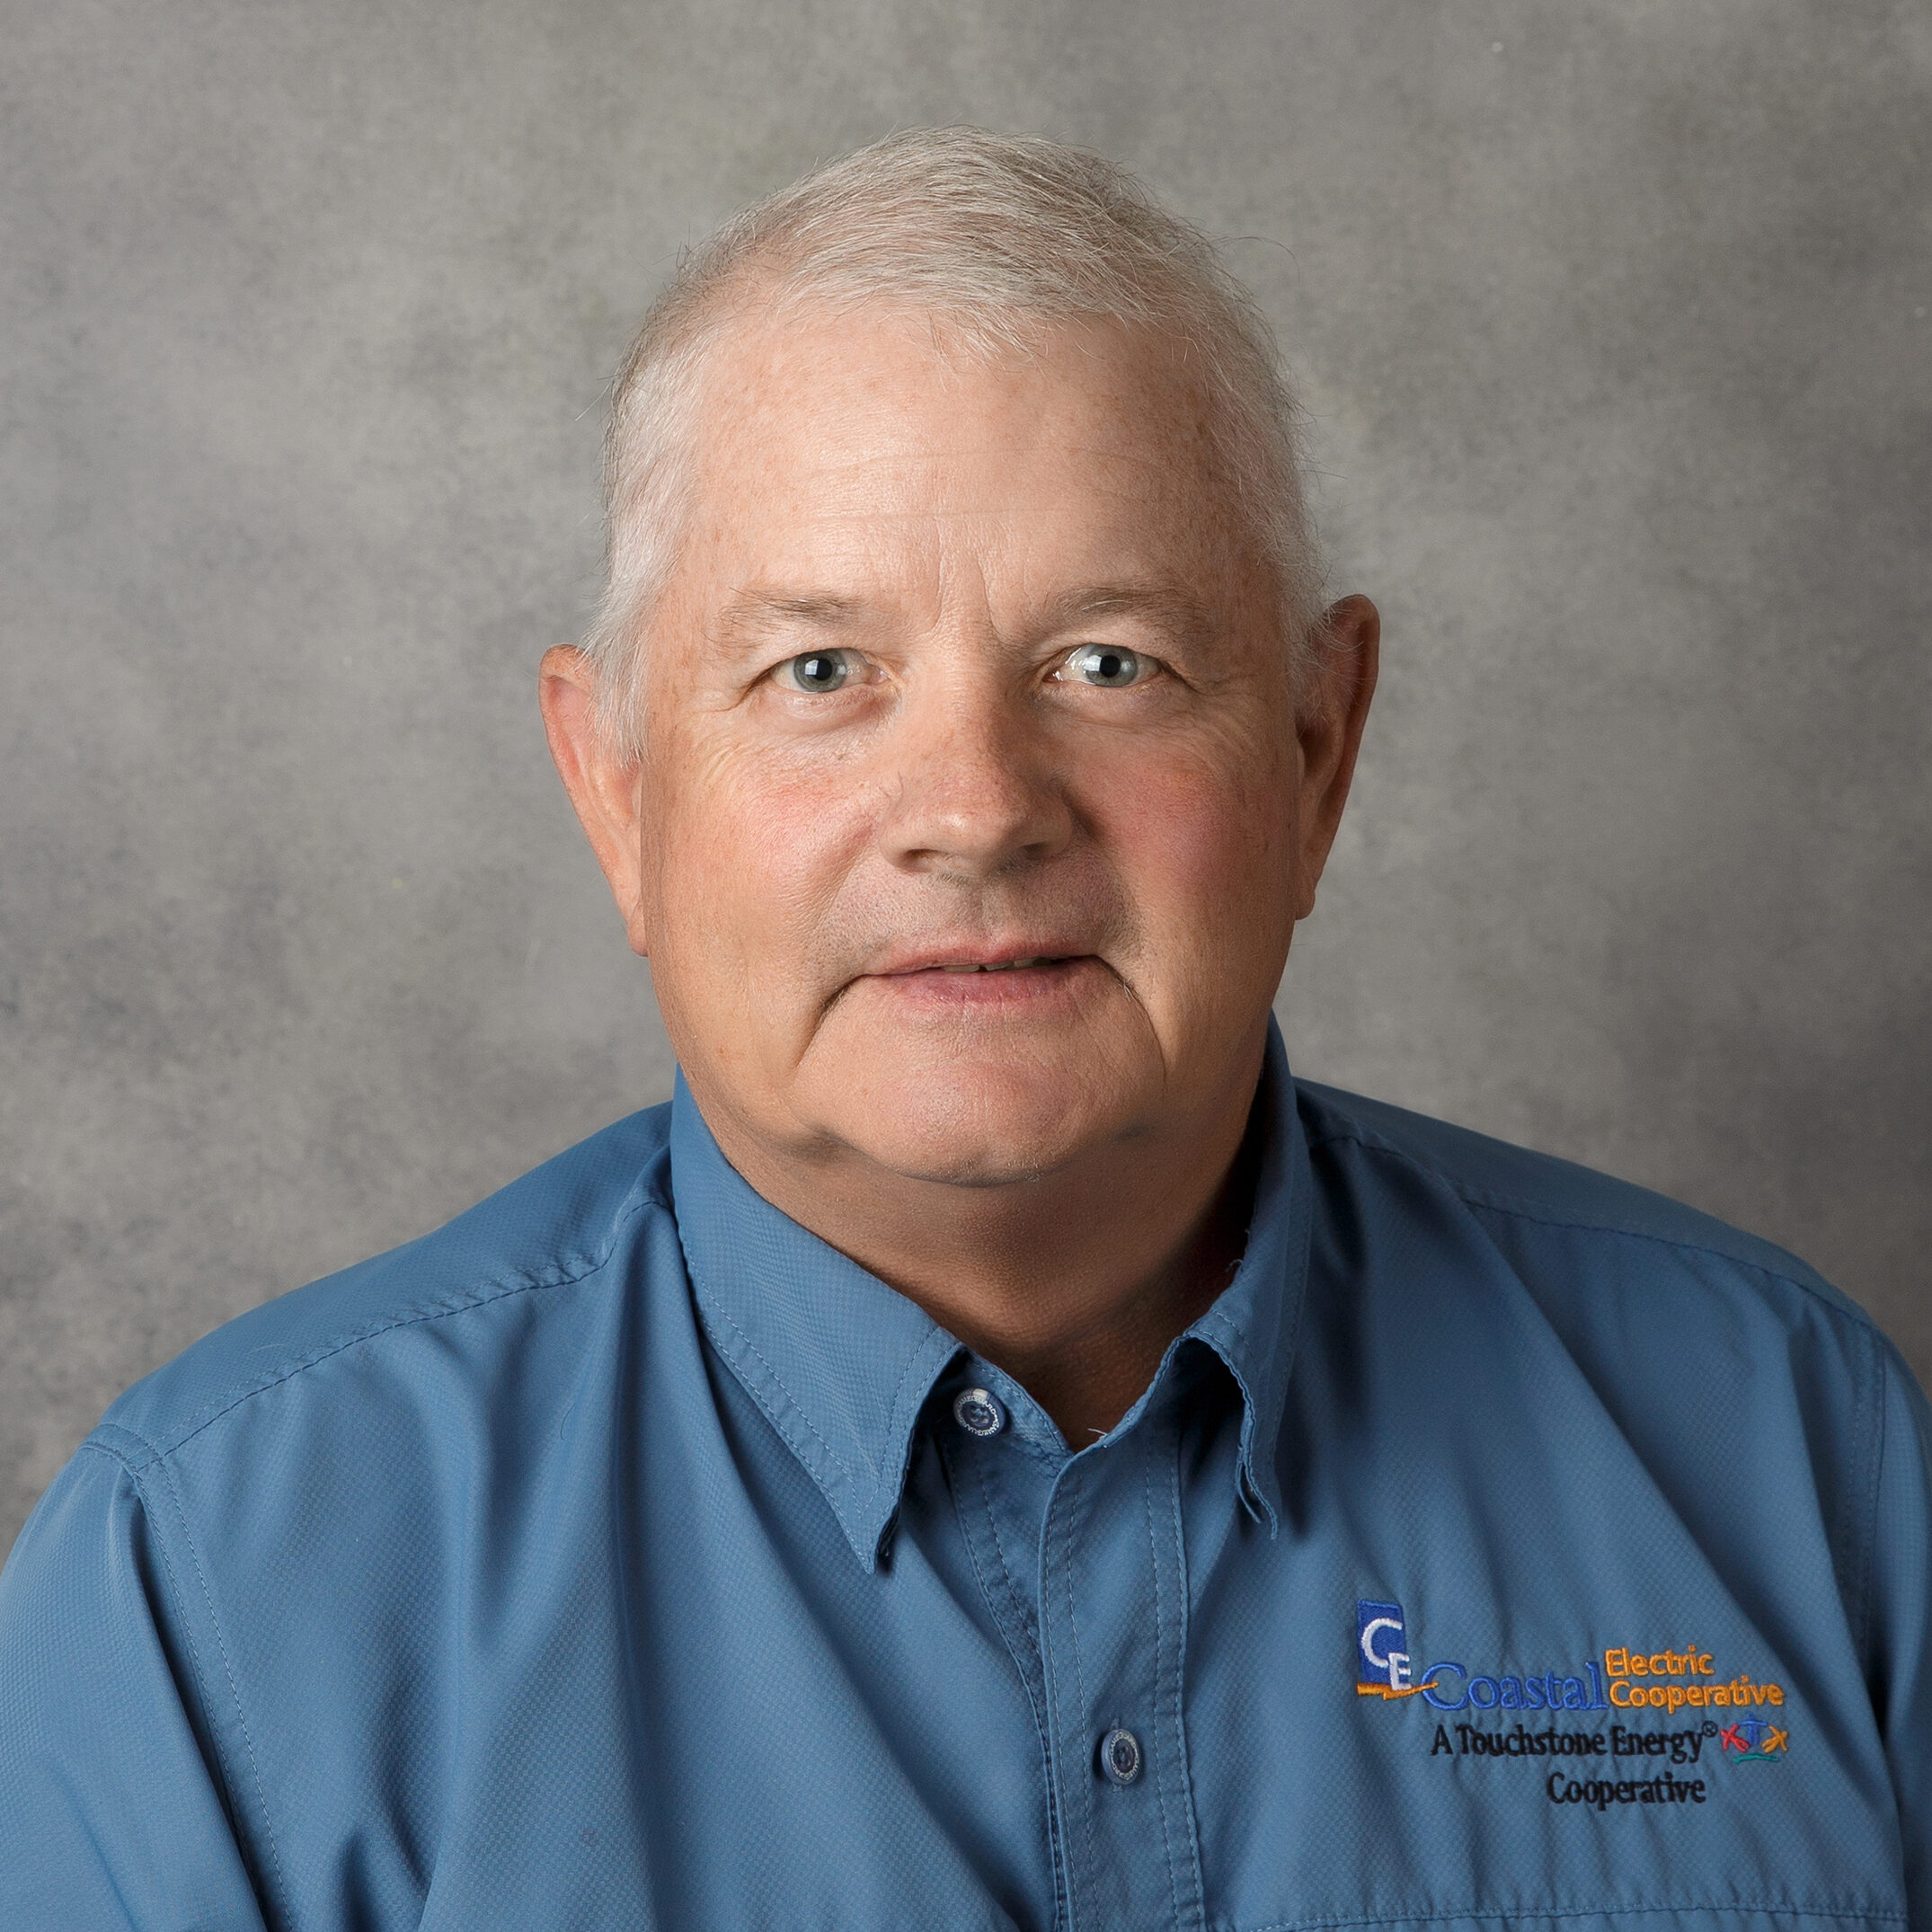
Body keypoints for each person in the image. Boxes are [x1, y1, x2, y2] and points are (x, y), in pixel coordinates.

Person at [2, 127, 1926, 1932]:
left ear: (1316, 753)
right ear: (618, 793)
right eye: (818, 670)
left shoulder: (1797, 1459)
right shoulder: (214, 1586)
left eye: (1109, 660)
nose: (978, 804)